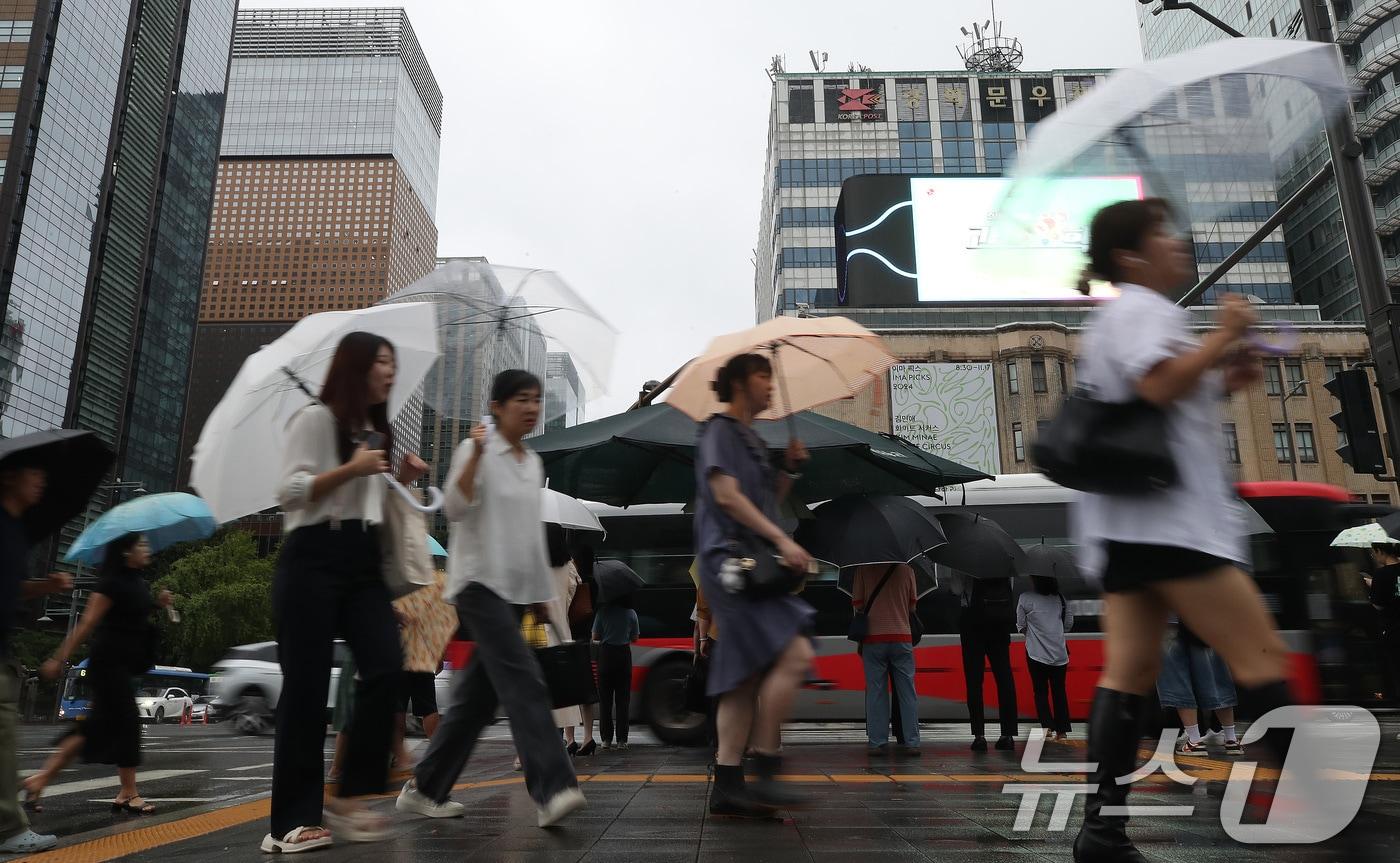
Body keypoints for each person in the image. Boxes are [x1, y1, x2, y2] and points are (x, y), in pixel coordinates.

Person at [1070, 198, 1295, 863]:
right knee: (1261, 660)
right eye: (1160, 234)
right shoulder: (1142, 309)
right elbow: (1159, 385)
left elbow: (1160, 400)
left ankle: (1102, 831)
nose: (1176, 243)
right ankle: (1342, 826)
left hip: (1126, 526)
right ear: (1128, 257)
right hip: (1172, 525)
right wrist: (1223, 335)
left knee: (1130, 671)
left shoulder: (1120, 318)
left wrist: (1224, 379)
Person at [397, 370, 585, 829]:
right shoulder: (475, 448)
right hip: (480, 586)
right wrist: (476, 455)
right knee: (524, 681)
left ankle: (425, 786)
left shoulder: (530, 463)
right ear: (498, 405)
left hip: (518, 591)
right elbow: (455, 510)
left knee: (475, 704)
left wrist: (542, 594)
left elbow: (527, 536)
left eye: (537, 399)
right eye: (521, 398)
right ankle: (553, 786)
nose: (531, 407)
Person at [264, 331, 426, 854]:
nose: (390, 372)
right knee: (306, 691)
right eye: (382, 361)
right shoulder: (315, 420)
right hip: (312, 557)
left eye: (393, 363)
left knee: (385, 667)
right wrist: (349, 470)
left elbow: (374, 512)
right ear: (356, 367)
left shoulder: (371, 433)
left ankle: (351, 795)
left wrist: (397, 476)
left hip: (360, 564)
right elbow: (287, 493)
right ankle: (288, 823)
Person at [694, 352, 816, 817]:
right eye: (764, 376)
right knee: (796, 652)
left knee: (743, 677)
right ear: (742, 381)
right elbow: (727, 495)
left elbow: (763, 504)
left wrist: (788, 470)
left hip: (746, 560)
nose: (771, 386)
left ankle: (727, 784)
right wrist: (783, 540)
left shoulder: (749, 439)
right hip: (732, 562)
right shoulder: (719, 432)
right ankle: (766, 767)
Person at [30, 534, 173, 817]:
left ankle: (40, 780)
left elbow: (132, 615)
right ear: (125, 552)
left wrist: (158, 603)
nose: (147, 549)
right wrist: (58, 657)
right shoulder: (110, 583)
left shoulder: (137, 582)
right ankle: (128, 792)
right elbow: (87, 623)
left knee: (91, 731)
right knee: (129, 723)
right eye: (141, 545)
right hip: (107, 664)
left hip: (122, 665)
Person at [1, 462, 73, 855]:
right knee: (2, 742)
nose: (41, 479)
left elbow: (11, 588)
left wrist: (46, 584)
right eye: (34, 472)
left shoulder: (16, 530)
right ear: (10, 476)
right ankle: (10, 828)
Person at [390, 564, 457, 771]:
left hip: (399, 653)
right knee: (428, 707)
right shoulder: (435, 587)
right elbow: (444, 623)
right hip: (424, 654)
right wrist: (440, 654)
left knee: (398, 707)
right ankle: (438, 754)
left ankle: (398, 755)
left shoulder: (399, 584)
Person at [851, 563, 920, 757]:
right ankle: (912, 742)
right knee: (907, 691)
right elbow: (912, 605)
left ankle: (877, 742)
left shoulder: (862, 569)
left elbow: (858, 604)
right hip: (902, 637)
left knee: (876, 691)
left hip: (873, 639)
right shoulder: (907, 570)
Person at [1155, 624, 1242, 757]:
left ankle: (1195, 741)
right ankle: (1231, 739)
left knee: (1177, 680)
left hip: (1171, 621)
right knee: (1214, 677)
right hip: (1202, 617)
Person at [954, 572, 1019, 751]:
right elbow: (1009, 589)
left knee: (974, 681)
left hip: (972, 625)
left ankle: (979, 736)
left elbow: (956, 589)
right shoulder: (1004, 560)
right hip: (999, 624)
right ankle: (1008, 734)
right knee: (1004, 677)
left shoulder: (965, 561)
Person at [542, 525, 587, 754]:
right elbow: (572, 594)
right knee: (563, 693)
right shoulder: (569, 566)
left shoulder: (536, 564)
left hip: (539, 635)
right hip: (562, 633)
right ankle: (565, 740)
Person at [1017, 575, 1074, 741]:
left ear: (1034, 580)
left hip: (1035, 653)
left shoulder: (1025, 598)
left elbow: (1021, 624)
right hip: (1059, 654)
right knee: (1059, 691)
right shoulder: (1061, 598)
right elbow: (1068, 624)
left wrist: (1034, 636)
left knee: (1040, 691)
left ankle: (1047, 727)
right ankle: (1062, 731)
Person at [593, 591, 639, 750]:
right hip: (623, 656)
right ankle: (622, 740)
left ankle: (606, 739)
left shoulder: (602, 612)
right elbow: (635, 638)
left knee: (605, 701)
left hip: (605, 656)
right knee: (623, 701)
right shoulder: (631, 613)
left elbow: (595, 637)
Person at [567, 540, 599, 755]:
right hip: (585, 641)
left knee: (567, 693)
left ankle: (569, 738)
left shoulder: (572, 579)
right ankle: (588, 737)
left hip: (569, 639)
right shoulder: (593, 582)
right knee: (586, 693)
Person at [1367, 543, 1400, 703]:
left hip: (1393, 631)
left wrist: (1372, 585)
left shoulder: (1381, 574)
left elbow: (1378, 605)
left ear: (1380, 551)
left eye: (1373, 552)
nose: (1373, 556)